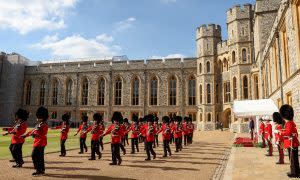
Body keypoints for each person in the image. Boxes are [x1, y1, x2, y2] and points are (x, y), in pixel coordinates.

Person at [22, 106, 48, 176]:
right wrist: (26, 135)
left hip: (41, 142)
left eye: (39, 117)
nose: (37, 119)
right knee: (40, 157)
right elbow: (32, 131)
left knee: (34, 155)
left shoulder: (44, 125)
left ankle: (38, 169)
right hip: (37, 142)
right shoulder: (38, 125)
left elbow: (43, 134)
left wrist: (36, 135)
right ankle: (41, 170)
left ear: (42, 117)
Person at [279, 105, 300, 178]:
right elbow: (294, 133)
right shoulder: (291, 123)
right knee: (294, 159)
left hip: (292, 144)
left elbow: (288, 133)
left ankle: (294, 173)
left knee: (292, 159)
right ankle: (296, 171)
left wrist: (281, 133)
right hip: (293, 143)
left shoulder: (288, 123)